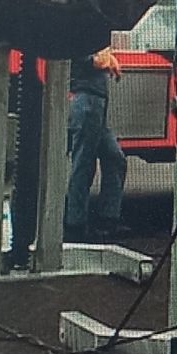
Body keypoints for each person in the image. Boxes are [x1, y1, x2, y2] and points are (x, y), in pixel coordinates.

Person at [64, 46, 128, 242]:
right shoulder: (80, 33)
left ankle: (107, 220)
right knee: (84, 164)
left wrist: (107, 59)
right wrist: (107, 59)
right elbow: (94, 60)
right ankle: (75, 226)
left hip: (94, 103)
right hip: (88, 101)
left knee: (114, 157)